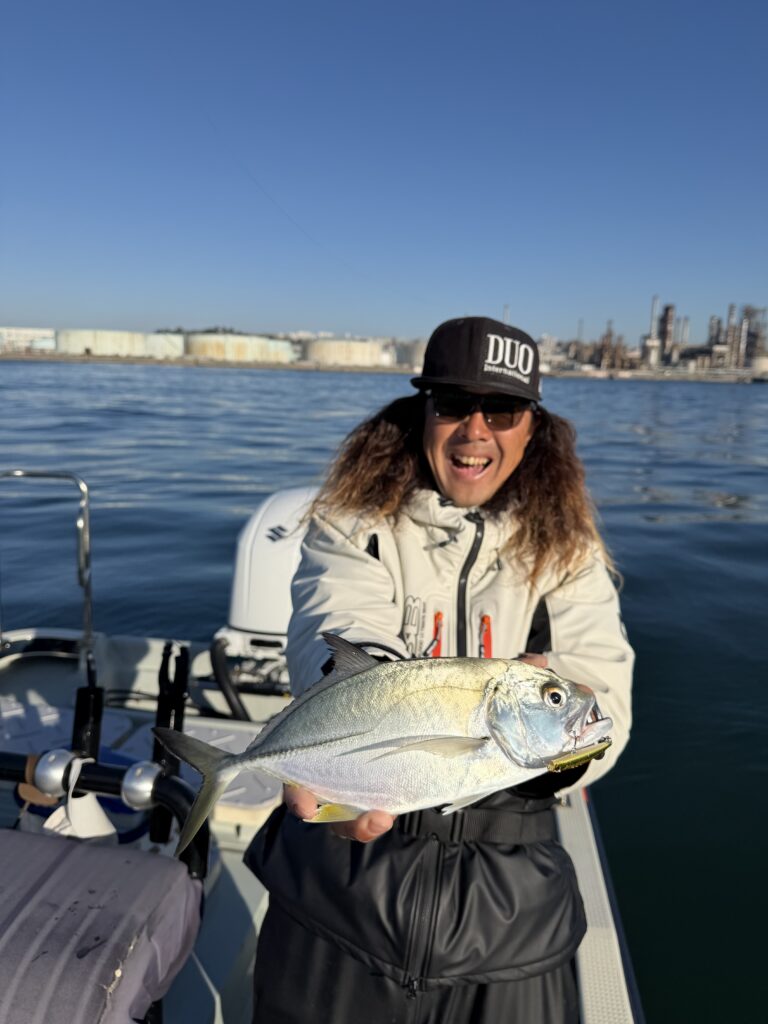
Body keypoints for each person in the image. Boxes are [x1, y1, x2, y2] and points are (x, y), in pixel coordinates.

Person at [245, 316, 634, 1024]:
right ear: (422, 412)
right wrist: (381, 715)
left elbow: (604, 698)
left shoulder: (569, 550)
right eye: (454, 404)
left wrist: (547, 750)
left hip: (512, 912)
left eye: (503, 410)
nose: (475, 431)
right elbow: (338, 622)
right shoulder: (353, 520)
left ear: (533, 427)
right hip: (343, 887)